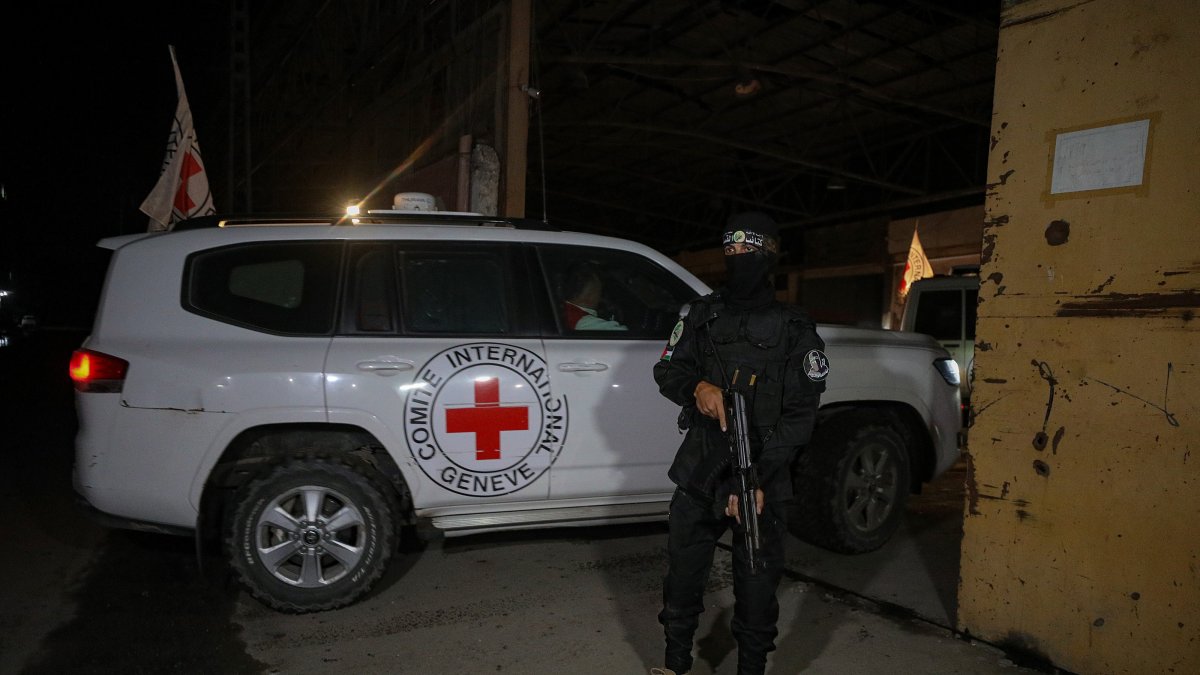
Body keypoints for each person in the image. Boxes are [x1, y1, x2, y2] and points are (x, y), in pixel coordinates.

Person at [650, 212, 827, 675]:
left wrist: (760, 479)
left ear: (768, 255)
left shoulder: (794, 329)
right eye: (729, 252)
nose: (737, 260)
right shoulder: (700, 315)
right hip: (701, 465)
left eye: (747, 252)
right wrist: (699, 389)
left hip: (762, 469)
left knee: (755, 583)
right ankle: (674, 663)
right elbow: (668, 370)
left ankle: (751, 667)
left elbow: (800, 415)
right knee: (684, 575)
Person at [562, 261, 628, 331]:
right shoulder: (583, 321)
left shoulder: (560, 311)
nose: (600, 298)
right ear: (588, 295)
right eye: (599, 292)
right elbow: (626, 335)